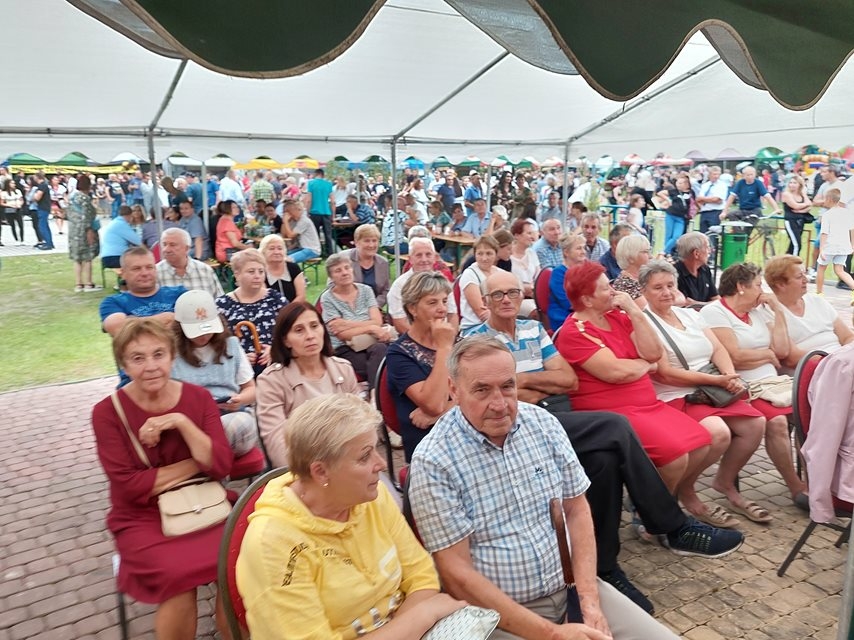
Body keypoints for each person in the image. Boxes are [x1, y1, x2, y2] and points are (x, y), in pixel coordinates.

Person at [465, 270, 744, 611]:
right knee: (614, 426)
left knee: (605, 460)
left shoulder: (532, 329)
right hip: (514, 424)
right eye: (497, 295)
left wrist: (521, 382)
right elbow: (492, 396)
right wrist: (524, 386)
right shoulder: (476, 341)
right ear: (485, 301)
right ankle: (672, 525)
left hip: (554, 413)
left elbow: (567, 380)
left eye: (512, 292)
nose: (507, 299)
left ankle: (605, 567)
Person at [408, 337, 682, 640]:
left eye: (507, 387)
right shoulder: (434, 460)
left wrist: (589, 602)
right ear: (454, 390)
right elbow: (456, 574)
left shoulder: (542, 424)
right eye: (482, 390)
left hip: (571, 588)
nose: (499, 404)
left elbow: (576, 510)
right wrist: (553, 634)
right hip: (496, 614)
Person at [238, 394, 464, 640]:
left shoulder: (370, 497)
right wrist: (421, 617)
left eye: (376, 449)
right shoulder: (273, 544)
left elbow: (421, 576)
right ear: (321, 471)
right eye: (364, 456)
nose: (381, 464)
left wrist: (405, 628)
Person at [91, 318, 234, 639]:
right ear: (123, 364)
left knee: (238, 562)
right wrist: (196, 463)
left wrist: (181, 422)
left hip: (205, 502)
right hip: (143, 516)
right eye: (138, 358)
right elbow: (129, 487)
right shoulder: (107, 413)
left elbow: (222, 464)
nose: (151, 366)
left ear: (172, 356)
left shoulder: (197, 398)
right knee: (177, 577)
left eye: (158, 354)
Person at [555, 261, 713, 494]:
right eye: (606, 288)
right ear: (587, 300)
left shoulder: (617, 317)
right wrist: (646, 365)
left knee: (702, 443)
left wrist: (635, 312)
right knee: (674, 457)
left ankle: (660, 498)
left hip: (647, 405)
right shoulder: (575, 331)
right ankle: (655, 508)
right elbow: (617, 373)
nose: (613, 291)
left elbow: (654, 353)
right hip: (613, 412)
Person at [641, 260, 768, 525]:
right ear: (644, 291)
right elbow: (665, 373)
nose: (666, 292)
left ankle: (724, 482)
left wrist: (730, 376)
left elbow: (718, 348)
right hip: (678, 393)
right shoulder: (645, 323)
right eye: (657, 288)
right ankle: (686, 491)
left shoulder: (690, 315)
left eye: (670, 285)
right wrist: (719, 380)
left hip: (711, 388)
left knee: (756, 423)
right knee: (718, 433)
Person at [700, 262, 808, 510]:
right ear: (741, 286)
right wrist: (766, 354)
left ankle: (816, 482)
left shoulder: (759, 311)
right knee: (777, 422)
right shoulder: (715, 312)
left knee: (810, 414)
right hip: (742, 385)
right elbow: (735, 356)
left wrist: (778, 311)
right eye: (758, 285)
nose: (763, 291)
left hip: (774, 383)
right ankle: (796, 487)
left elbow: (781, 351)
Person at [255, 301, 358, 468]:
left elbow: (360, 425)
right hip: (305, 469)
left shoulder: (343, 369)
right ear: (286, 341)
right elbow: (278, 444)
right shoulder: (271, 381)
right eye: (299, 330)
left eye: (314, 326)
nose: (310, 335)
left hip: (348, 463)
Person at [170, 290, 258, 456]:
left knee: (234, 426)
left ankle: (209, 455)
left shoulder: (231, 345)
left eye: (208, 329)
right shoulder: (172, 354)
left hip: (231, 415)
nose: (204, 336)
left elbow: (251, 389)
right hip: (192, 420)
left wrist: (239, 400)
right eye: (197, 331)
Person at [386, 272, 456, 462]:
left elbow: (479, 392)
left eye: (444, 301)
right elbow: (433, 404)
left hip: (462, 432)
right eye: (432, 303)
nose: (442, 309)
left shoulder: (456, 342)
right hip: (429, 448)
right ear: (412, 308)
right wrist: (444, 347)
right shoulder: (399, 353)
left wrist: (444, 411)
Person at [764, 254, 853, 369]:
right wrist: (836, 362)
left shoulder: (817, 301)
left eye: (805, 274)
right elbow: (792, 358)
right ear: (781, 284)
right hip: (815, 370)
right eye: (799, 277)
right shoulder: (769, 312)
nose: (806, 280)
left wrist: (846, 358)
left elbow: (847, 337)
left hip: (842, 363)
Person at [320, 252, 394, 387]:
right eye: (338, 270)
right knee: (377, 365)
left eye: (347, 268)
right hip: (344, 347)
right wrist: (370, 327)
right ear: (331, 277)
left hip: (372, 341)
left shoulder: (366, 290)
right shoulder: (327, 298)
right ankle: (376, 392)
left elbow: (377, 321)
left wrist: (346, 323)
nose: (344, 273)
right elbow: (342, 334)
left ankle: (373, 392)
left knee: (380, 350)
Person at [216, 249, 287, 376]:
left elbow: (290, 329)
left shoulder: (275, 298)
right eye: (251, 271)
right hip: (238, 370)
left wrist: (275, 349)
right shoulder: (223, 304)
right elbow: (217, 341)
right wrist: (239, 357)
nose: (257, 276)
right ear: (237, 274)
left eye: (261, 271)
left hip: (275, 365)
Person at [387, 237, 459, 334]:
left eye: (428, 254)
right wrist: (426, 340)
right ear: (410, 259)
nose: (424, 259)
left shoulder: (442, 281)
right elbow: (400, 323)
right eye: (419, 255)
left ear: (435, 258)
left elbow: (452, 314)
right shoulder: (399, 285)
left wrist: (450, 338)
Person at [156, 227, 224, 298]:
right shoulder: (155, 273)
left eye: (172, 245)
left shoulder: (205, 270)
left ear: (186, 248)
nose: (166, 249)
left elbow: (219, 300)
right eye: (164, 244)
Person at [814, 188, 854, 298]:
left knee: (821, 268)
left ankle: (819, 293)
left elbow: (824, 233)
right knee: (840, 270)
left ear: (829, 199)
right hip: (843, 247)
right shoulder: (847, 214)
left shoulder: (827, 215)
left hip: (829, 246)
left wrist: (821, 249)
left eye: (825, 198)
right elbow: (852, 230)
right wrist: (852, 245)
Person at [66, 175, 102, 293]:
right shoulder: (85, 199)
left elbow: (68, 214)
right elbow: (87, 216)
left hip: (73, 231)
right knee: (87, 257)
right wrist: (89, 231)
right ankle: (88, 284)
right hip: (84, 231)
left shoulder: (72, 198)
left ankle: (78, 284)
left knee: (77, 258)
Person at [458, 235, 499, 330]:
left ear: (496, 254)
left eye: (489, 253)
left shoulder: (501, 273)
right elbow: (482, 313)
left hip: (498, 322)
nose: (484, 258)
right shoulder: (470, 274)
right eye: (480, 254)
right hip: (475, 326)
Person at [548, 232, 587, 332]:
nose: (583, 251)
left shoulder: (586, 270)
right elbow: (568, 303)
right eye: (579, 248)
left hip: (585, 312)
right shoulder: (558, 273)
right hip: (564, 317)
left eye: (584, 248)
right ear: (566, 252)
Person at [344, 224, 390, 308]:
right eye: (367, 241)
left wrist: (374, 306)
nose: (371, 245)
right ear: (356, 242)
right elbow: (332, 287)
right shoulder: (343, 259)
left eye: (374, 241)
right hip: (347, 308)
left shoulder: (383, 263)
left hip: (374, 308)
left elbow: (386, 290)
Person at [259, 233, 306, 304]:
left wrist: (288, 309)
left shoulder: (293, 268)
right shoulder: (260, 271)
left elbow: (301, 296)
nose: (276, 252)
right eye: (271, 249)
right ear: (263, 251)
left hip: (294, 308)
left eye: (280, 248)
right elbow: (263, 299)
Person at [674, 232, 719, 306]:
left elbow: (717, 300)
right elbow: (684, 305)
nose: (710, 251)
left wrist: (697, 304)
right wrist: (707, 305)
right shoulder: (675, 274)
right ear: (696, 253)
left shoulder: (705, 269)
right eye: (707, 247)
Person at [656, 175, 696, 256]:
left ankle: (664, 251)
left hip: (681, 217)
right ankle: (667, 253)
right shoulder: (674, 191)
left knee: (677, 236)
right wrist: (668, 199)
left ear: (686, 184)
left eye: (681, 183)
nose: (678, 185)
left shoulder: (691, 193)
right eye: (677, 183)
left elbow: (693, 203)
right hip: (671, 215)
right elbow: (660, 193)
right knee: (668, 235)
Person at [509, 217, 541, 318]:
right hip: (515, 298)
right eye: (529, 233)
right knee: (536, 312)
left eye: (532, 233)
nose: (532, 237)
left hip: (533, 295)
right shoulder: (508, 257)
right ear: (517, 235)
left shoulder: (531, 253)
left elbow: (538, 276)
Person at [281, 198, 322, 265]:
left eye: (287, 212)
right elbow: (284, 235)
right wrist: (284, 222)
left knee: (287, 260)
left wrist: (285, 221)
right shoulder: (293, 221)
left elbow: (290, 235)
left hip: (311, 250)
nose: (286, 214)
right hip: (301, 248)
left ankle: (295, 271)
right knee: (282, 256)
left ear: (294, 210)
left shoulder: (304, 220)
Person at [781, 174, 813, 257]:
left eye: (795, 183)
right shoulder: (786, 194)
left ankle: (785, 261)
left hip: (800, 221)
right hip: (791, 221)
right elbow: (795, 206)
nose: (792, 185)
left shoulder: (802, 194)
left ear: (800, 185)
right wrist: (804, 205)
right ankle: (795, 262)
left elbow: (810, 205)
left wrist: (801, 210)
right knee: (797, 245)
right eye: (790, 183)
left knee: (792, 245)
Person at [306, 168, 335, 255]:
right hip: (326, 212)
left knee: (316, 234)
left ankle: (317, 252)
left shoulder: (311, 183)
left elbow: (309, 200)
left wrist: (307, 211)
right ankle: (330, 253)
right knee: (328, 235)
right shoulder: (328, 184)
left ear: (315, 174)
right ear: (323, 175)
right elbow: (333, 201)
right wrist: (333, 215)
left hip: (314, 212)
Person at [696, 165, 729, 233]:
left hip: (716, 212)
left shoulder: (722, 185)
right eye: (714, 174)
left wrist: (704, 199)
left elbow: (718, 200)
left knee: (713, 234)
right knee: (703, 233)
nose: (716, 176)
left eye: (718, 174)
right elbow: (698, 199)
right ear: (709, 174)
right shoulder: (705, 185)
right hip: (704, 212)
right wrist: (710, 199)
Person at [0, 177, 24, 246]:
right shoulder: (4, 193)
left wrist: (20, 204)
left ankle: (22, 239)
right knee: (13, 225)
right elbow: (1, 203)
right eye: (12, 183)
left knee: (21, 224)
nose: (14, 184)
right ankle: (16, 239)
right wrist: (9, 205)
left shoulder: (17, 191)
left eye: (14, 183)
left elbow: (21, 200)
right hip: (9, 209)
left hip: (18, 208)